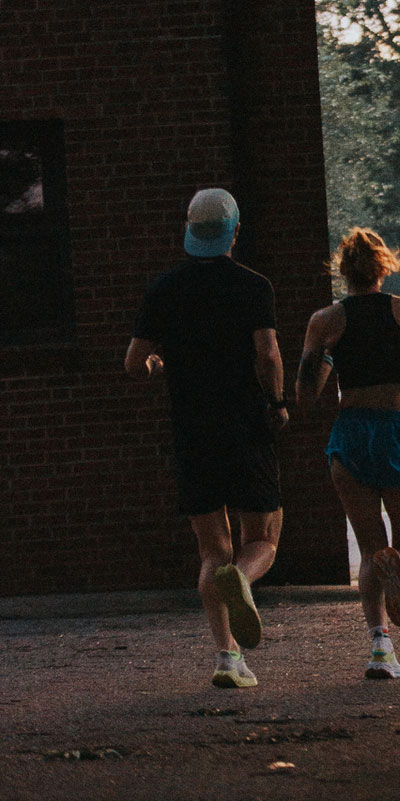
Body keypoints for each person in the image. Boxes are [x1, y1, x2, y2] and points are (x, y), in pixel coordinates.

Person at [125, 188, 289, 689]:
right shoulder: (253, 286)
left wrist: (158, 363)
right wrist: (278, 401)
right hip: (244, 424)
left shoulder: (163, 289)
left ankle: (227, 660)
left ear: (190, 231)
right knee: (261, 538)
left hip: (192, 432)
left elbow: (134, 363)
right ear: (234, 231)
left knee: (211, 551)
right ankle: (243, 577)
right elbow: (267, 354)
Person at [296, 228, 400, 680]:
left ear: (343, 272)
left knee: (366, 549)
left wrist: (327, 358)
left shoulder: (325, 320)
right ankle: (399, 565)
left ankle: (381, 648)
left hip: (352, 433)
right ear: (383, 267)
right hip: (398, 427)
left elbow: (307, 393)